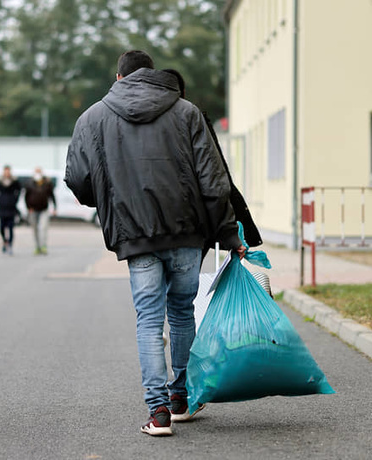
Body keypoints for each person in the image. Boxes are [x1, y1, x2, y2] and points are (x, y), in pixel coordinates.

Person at [65, 50, 246, 437]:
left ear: (119, 78)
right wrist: (229, 232)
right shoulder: (186, 112)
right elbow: (214, 181)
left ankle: (159, 412)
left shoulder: (93, 117)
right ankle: (181, 398)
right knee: (182, 312)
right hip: (186, 231)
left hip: (134, 233)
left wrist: (110, 197)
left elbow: (78, 178)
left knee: (149, 319)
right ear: (154, 75)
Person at [161, 68, 263, 261]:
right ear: (182, 93)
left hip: (156, 226)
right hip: (196, 222)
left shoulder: (146, 125)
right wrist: (230, 233)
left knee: (163, 288)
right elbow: (215, 178)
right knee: (183, 289)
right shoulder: (194, 119)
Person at [24, 167, 56, 255]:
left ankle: (43, 246)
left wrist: (54, 207)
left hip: (44, 210)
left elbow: (52, 196)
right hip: (33, 210)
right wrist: (28, 208)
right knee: (35, 229)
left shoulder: (47, 183)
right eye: (36, 172)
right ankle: (37, 246)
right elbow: (26, 197)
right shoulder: (30, 183)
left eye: (39, 172)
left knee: (43, 228)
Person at [0, 165, 22, 254]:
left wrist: (14, 199)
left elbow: (19, 190)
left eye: (8, 171)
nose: (7, 173)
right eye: (5, 171)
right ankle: (4, 241)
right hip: (2, 208)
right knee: (1, 227)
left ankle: (10, 244)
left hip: (11, 208)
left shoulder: (14, 181)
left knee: (10, 228)